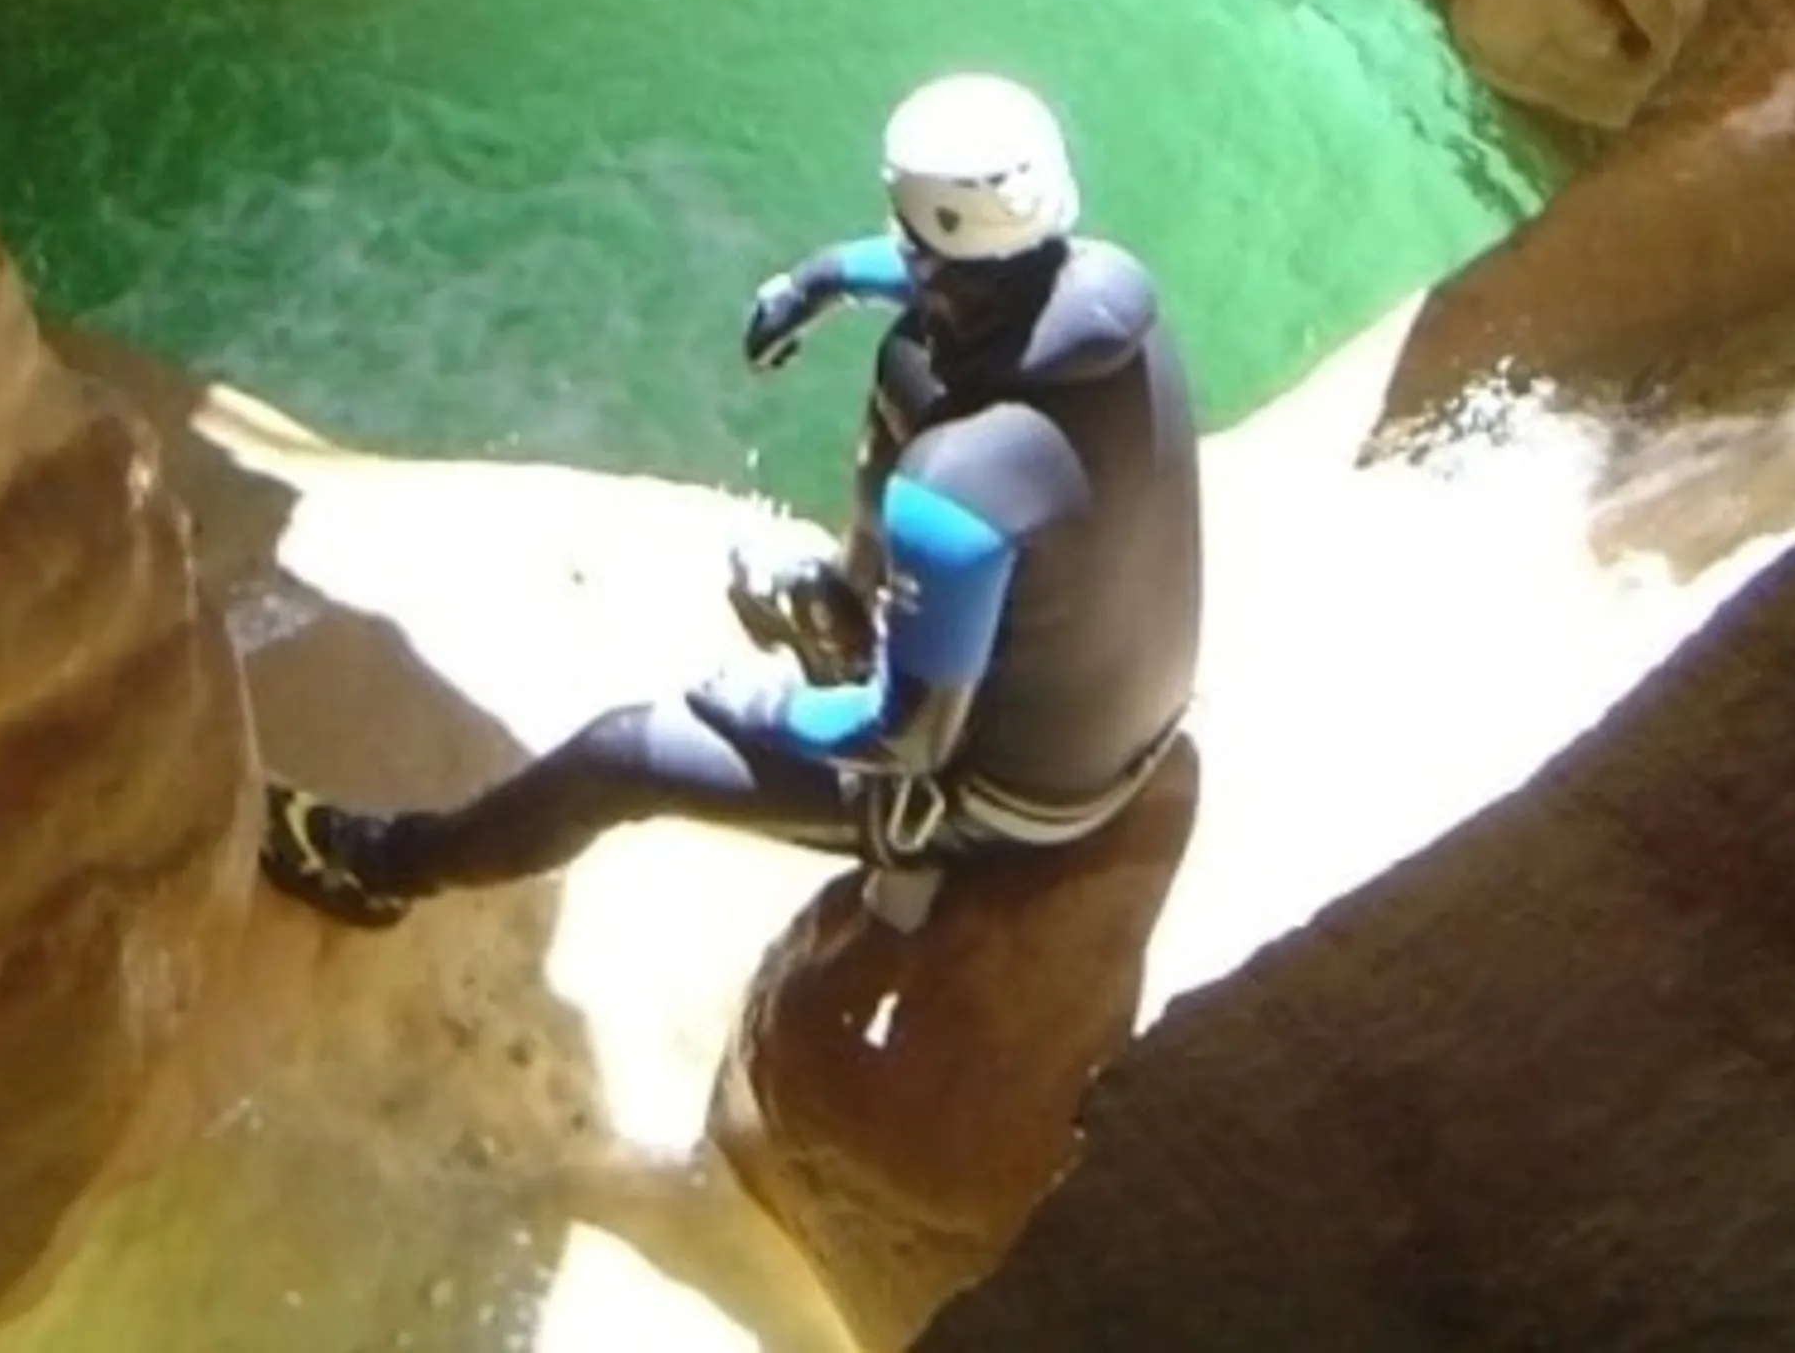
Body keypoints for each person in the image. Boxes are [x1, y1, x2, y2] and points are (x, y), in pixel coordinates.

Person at [257, 71, 1204, 930]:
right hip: (1129, 725)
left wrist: (765, 705)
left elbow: (906, 741)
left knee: (626, 756)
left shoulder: (953, 490)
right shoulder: (1113, 310)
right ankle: (848, 604)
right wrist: (820, 281)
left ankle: (377, 866)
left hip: (1013, 804)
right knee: (908, 364)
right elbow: (964, 282)